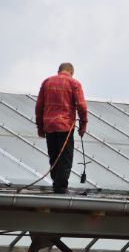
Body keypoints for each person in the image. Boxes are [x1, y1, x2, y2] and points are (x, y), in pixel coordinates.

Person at [36, 62, 88, 194]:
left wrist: (40, 127)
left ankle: (57, 185)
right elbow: (82, 106)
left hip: (49, 126)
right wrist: (83, 125)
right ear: (71, 72)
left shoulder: (47, 82)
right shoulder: (74, 83)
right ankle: (60, 188)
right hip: (65, 126)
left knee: (54, 156)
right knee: (65, 158)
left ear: (58, 70)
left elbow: (39, 106)